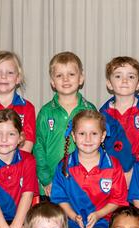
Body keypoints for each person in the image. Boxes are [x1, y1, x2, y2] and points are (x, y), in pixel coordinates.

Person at [51, 110, 127, 228]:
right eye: (82, 134)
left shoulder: (112, 165)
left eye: (94, 134)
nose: (87, 139)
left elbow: (118, 199)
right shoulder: (64, 166)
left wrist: (98, 214)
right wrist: (73, 216)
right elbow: (60, 198)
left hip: (102, 220)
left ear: (103, 136)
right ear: (73, 136)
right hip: (72, 220)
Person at [34, 51, 97, 198]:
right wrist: (45, 179)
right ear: (52, 82)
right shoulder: (46, 112)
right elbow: (38, 147)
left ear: (81, 78)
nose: (65, 79)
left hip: (82, 184)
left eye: (71, 74)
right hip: (51, 185)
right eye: (59, 75)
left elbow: (97, 146)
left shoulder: (89, 110)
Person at [99, 56, 139, 184]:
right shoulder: (101, 114)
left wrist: (133, 173)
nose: (124, 80)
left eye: (131, 76)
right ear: (109, 84)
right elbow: (98, 148)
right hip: (110, 178)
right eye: (118, 76)